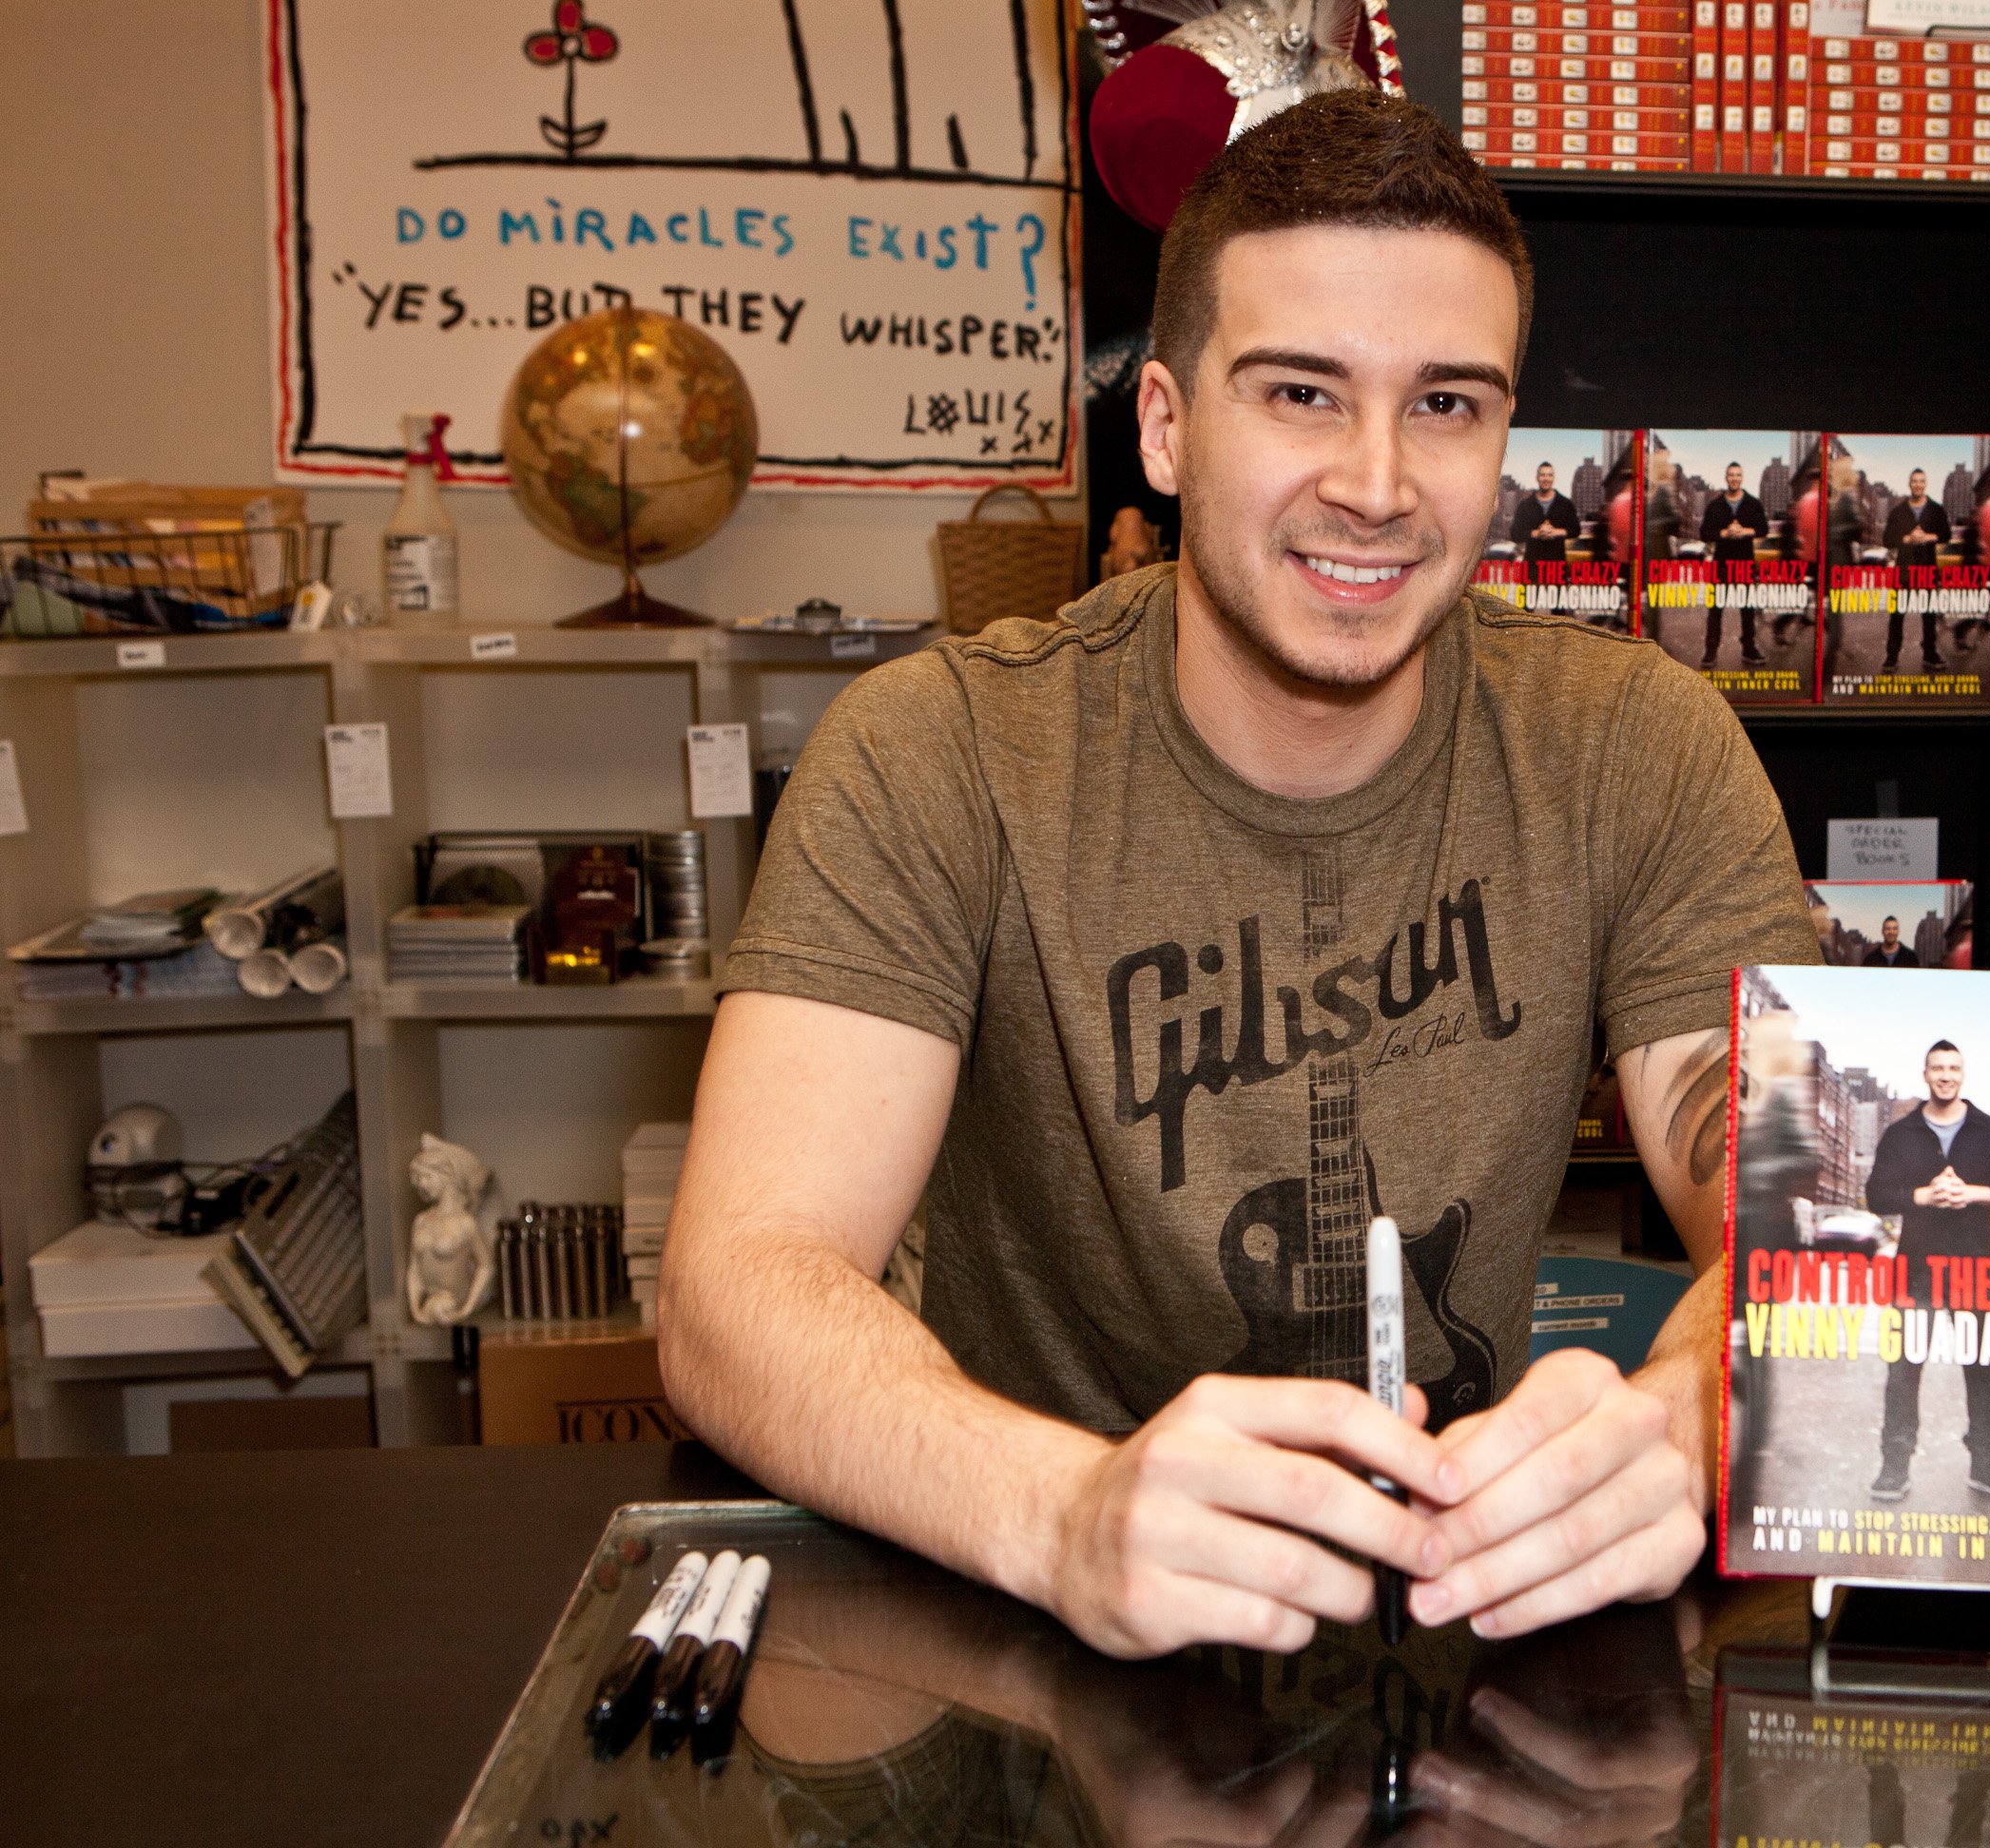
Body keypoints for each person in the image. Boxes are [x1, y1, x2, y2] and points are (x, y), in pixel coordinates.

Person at [657, 89, 1815, 1663]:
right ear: (1163, 423)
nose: (1379, 483)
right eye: (1299, 393)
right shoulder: (939, 753)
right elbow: (737, 1289)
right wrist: (1066, 1516)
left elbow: (1822, 1233)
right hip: (1031, 1634)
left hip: (1476, 1629)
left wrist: (1690, 1418)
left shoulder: (1636, 749)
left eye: (1448, 405)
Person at [1863, 1040, 1990, 1503]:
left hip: (1974, 1266)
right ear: (1926, 1074)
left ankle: (1987, 1464)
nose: (1946, 1075)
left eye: (1953, 1068)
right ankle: (1894, 1466)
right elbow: (1876, 1195)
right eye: (1938, 1068)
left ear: (1963, 1074)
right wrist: (1923, 1196)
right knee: (1903, 1370)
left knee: (1982, 1369)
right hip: (1915, 1269)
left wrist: (1972, 1194)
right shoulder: (1900, 1135)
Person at [1699, 461, 1769, 669]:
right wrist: (1724, 533)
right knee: (1715, 609)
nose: (1734, 479)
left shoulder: (1753, 504)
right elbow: (1704, 533)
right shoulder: (1715, 505)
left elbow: (1763, 529)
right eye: (1731, 475)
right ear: (1726, 477)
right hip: (1721, 564)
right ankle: (1710, 650)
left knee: (1747, 609)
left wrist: (1745, 531)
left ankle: (1749, 649)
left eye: (1738, 475)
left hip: (1745, 563)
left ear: (1742, 478)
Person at [1882, 469, 1951, 675]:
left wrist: (1928, 537)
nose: (1918, 485)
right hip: (1903, 571)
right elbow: (1887, 540)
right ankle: (1891, 656)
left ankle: (1930, 654)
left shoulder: (1936, 510)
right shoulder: (1898, 511)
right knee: (1897, 616)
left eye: (1921, 481)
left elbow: (1945, 535)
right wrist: (1908, 539)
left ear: (1926, 484)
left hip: (1927, 569)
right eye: (1914, 481)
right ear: (1909, 484)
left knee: (1929, 615)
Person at [1509, 460, 1579, 565]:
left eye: (1549, 475)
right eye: (1542, 475)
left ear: (1554, 478)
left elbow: (1576, 530)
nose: (1546, 479)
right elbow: (1514, 534)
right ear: (1537, 478)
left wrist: (1555, 532)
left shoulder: (1566, 504)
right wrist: (1536, 533)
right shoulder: (1525, 505)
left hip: (1557, 568)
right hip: (1532, 568)